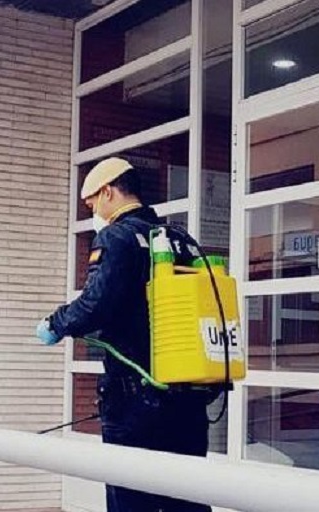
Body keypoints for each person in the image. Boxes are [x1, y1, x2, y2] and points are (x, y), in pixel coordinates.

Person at [36, 157, 212, 512]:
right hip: (188, 398)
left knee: (131, 499)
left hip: (135, 398)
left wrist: (55, 324)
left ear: (108, 192)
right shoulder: (181, 239)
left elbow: (95, 304)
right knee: (187, 500)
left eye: (92, 205)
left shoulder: (116, 237)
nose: (93, 213)